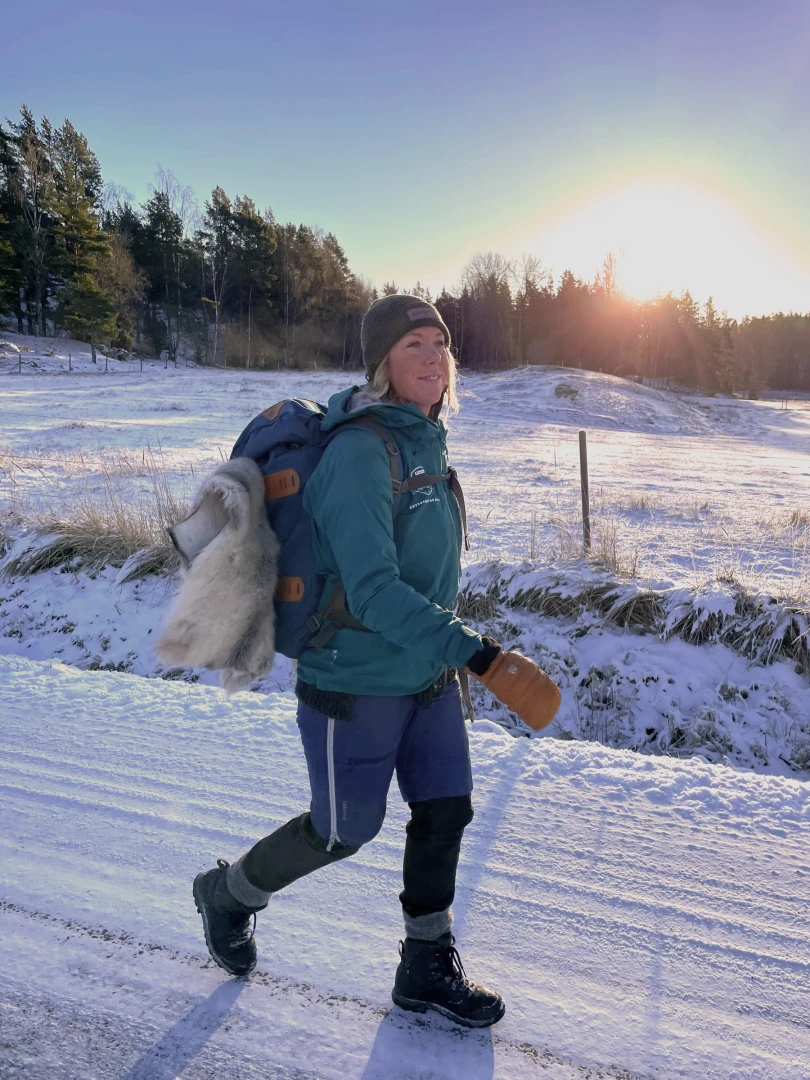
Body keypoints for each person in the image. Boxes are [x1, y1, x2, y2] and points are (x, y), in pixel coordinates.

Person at [193, 294, 556, 1029]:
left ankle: (425, 966)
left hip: (424, 675)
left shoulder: (426, 440)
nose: (432, 356)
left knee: (446, 811)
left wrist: (449, 653)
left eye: (439, 343)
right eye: (412, 344)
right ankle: (229, 894)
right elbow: (374, 591)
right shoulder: (360, 453)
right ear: (381, 362)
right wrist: (479, 655)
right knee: (341, 832)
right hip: (352, 681)